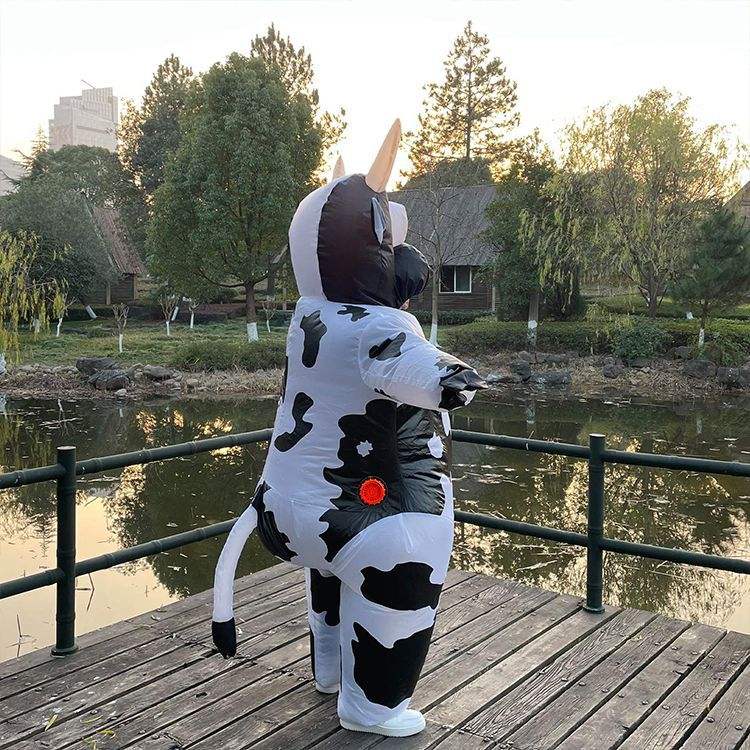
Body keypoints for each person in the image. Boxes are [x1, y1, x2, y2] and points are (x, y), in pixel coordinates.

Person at [211, 120, 485, 738]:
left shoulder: (308, 316)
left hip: (287, 507)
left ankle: (330, 670)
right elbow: (426, 377)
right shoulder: (378, 328)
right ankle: (372, 706)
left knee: (332, 573)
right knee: (404, 563)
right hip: (372, 511)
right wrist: (459, 378)